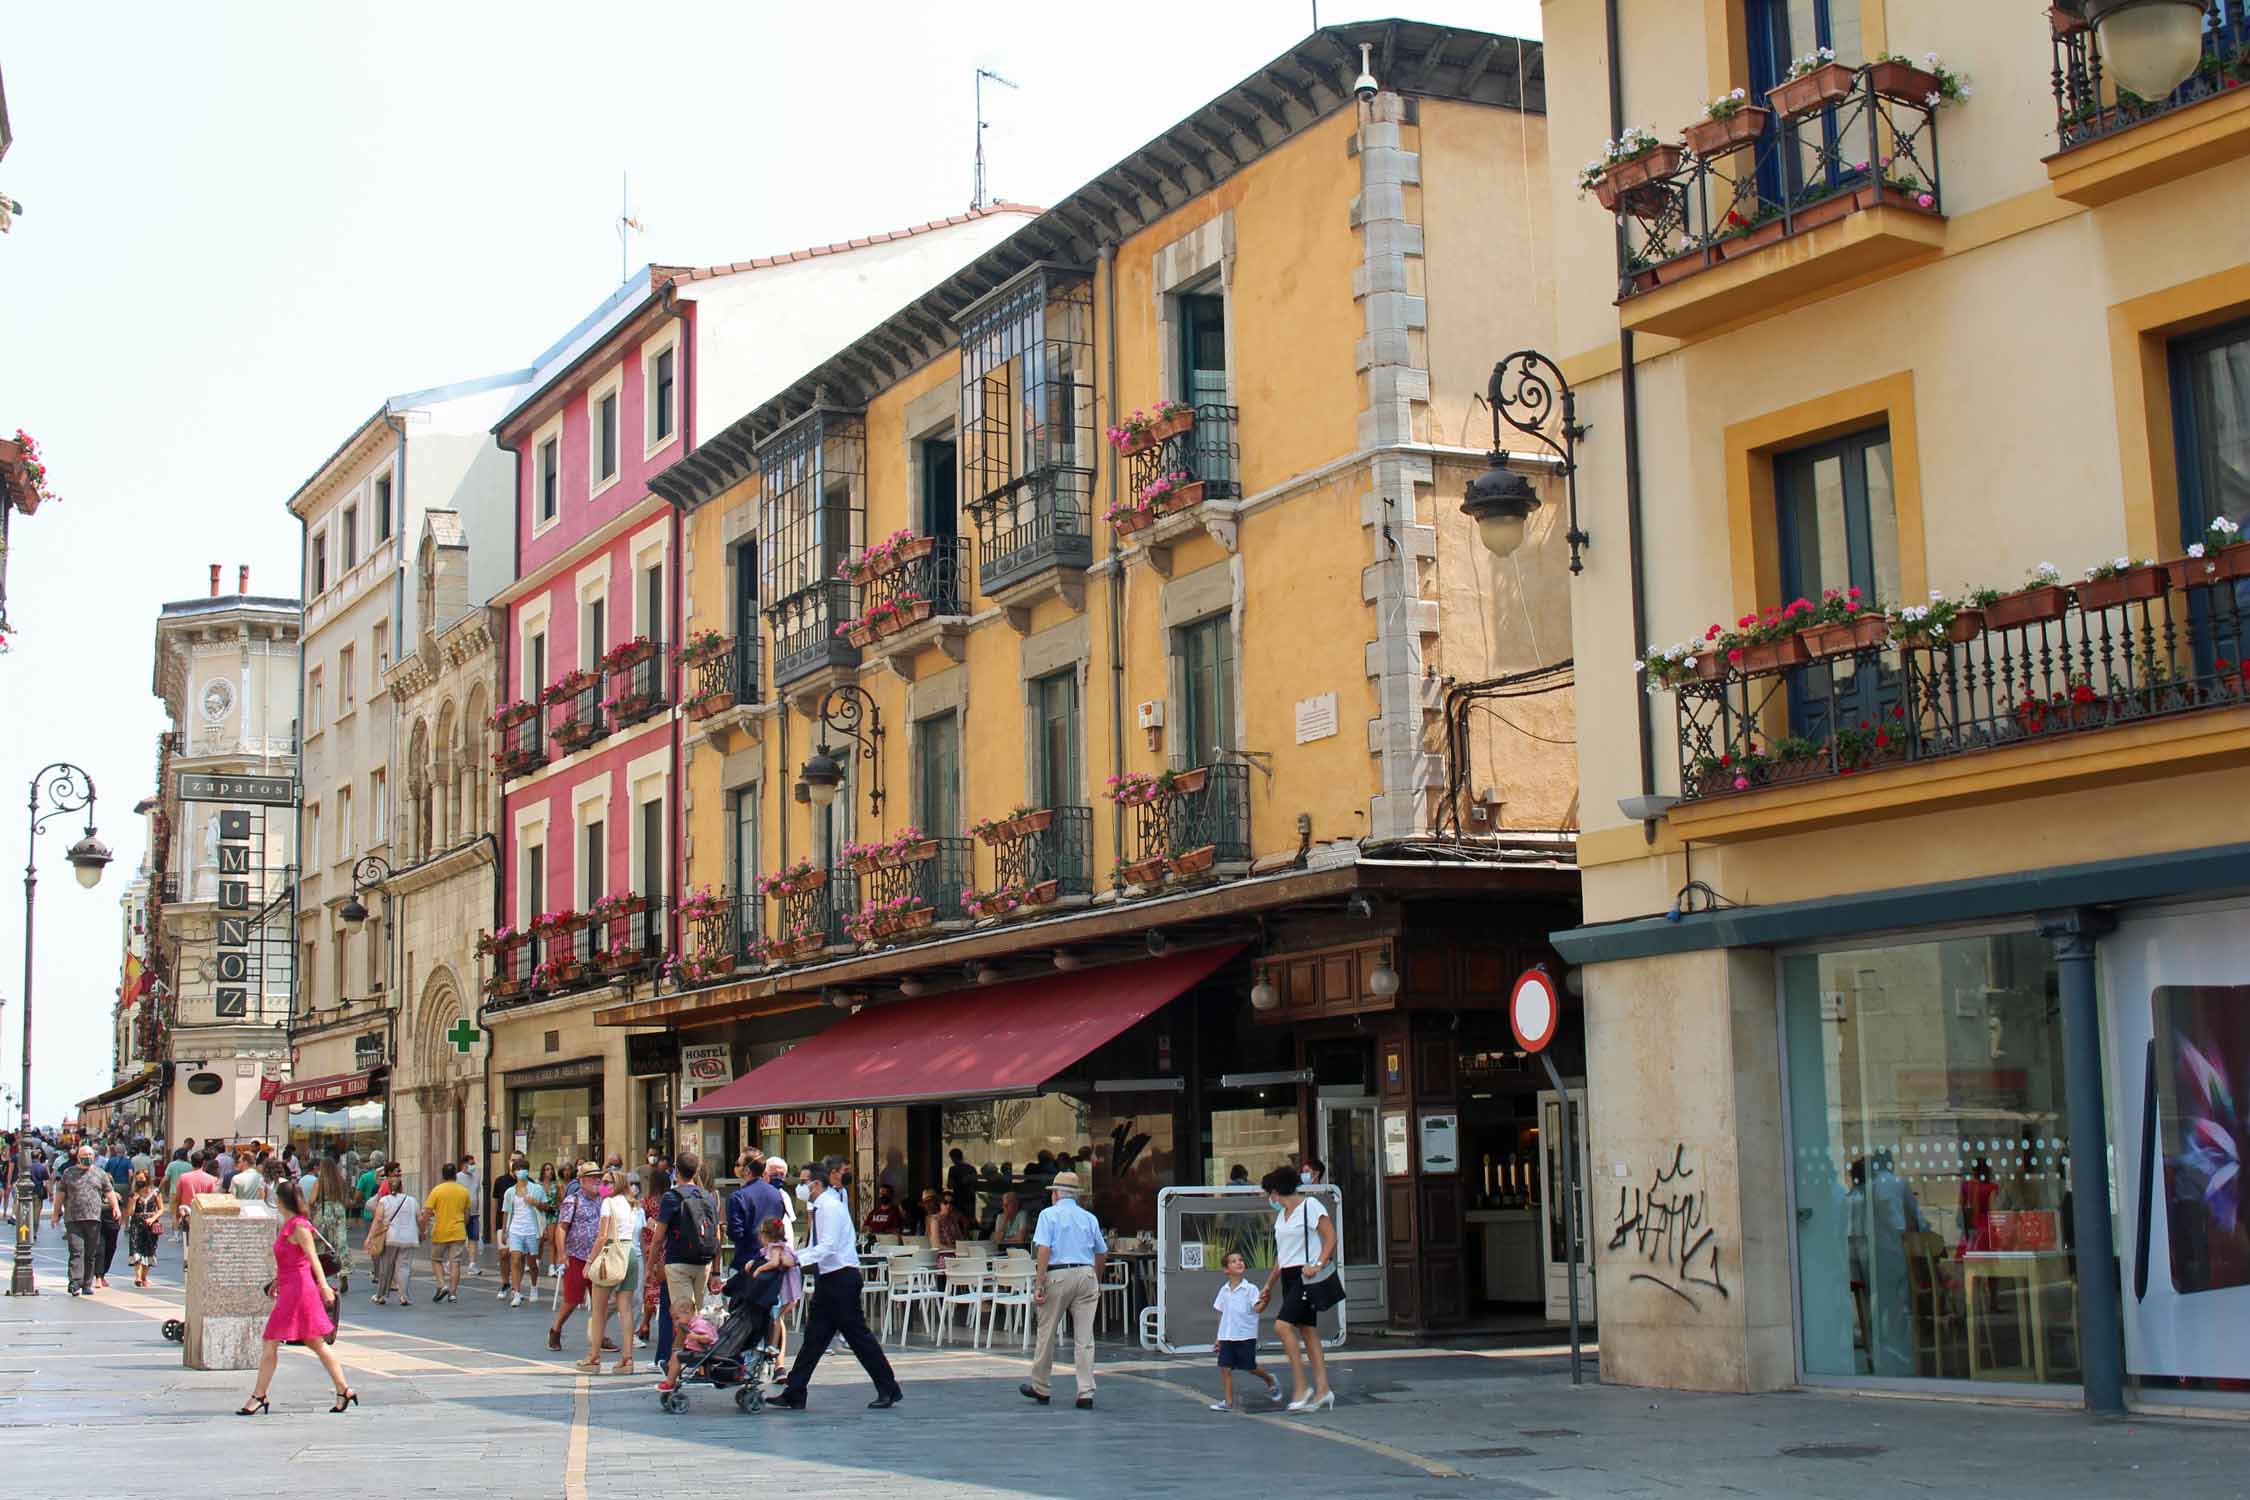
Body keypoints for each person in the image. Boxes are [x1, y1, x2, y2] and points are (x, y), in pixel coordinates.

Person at [771, 1155, 901, 1412]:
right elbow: (817, 1245)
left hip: (841, 1277)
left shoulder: (829, 1208)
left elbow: (827, 1246)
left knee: (857, 1336)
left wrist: (795, 1259)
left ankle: (888, 1387)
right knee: (814, 1337)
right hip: (830, 1278)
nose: (801, 1187)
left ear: (817, 1185)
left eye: (805, 1182)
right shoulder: (822, 1207)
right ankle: (795, 1391)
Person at [236, 1178, 356, 1416]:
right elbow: (289, 1259)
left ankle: (259, 1395)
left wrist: (323, 1288)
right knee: (315, 1343)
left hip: (300, 1290)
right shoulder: (289, 1224)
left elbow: (312, 1258)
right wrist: (277, 1281)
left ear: (279, 1200)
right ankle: (344, 1389)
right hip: (290, 1287)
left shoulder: (299, 1226)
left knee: (272, 1339)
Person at [1019, 1169, 1105, 1411]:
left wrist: (1039, 1282)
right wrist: (1095, 1278)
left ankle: (1041, 1386)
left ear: (1056, 1194)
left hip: (1058, 1274)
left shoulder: (1049, 1215)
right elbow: (1101, 1250)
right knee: (1085, 1339)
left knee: (1047, 1333)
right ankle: (1085, 1391)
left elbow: (1043, 1250)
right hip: (1086, 1274)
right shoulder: (1089, 1217)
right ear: (1075, 1195)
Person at [1254, 1165, 1336, 1412]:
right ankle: (1323, 1390)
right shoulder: (1282, 1216)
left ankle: (1302, 1387)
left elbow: (1330, 1237)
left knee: (1282, 1326)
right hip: (1289, 1275)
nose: (1270, 1199)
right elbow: (1283, 1255)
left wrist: (1318, 1264)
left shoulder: (1310, 1206)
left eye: (1270, 1193)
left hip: (1305, 1275)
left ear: (1276, 1192)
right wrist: (1268, 1284)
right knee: (1308, 1331)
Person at [654, 1152, 720, 1395]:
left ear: (676, 1170)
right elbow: (717, 1235)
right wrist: (716, 1270)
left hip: (678, 1262)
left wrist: (652, 1263)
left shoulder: (672, 1197)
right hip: (703, 1261)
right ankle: (702, 1368)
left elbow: (659, 1235)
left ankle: (673, 1371)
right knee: (699, 1317)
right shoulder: (708, 1196)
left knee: (683, 1318)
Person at [581, 1167, 644, 1375]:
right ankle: (627, 1359)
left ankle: (593, 1357)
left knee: (598, 1310)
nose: (602, 1185)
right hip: (630, 1254)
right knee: (624, 1308)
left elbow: (602, 1236)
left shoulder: (608, 1203)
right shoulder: (631, 1204)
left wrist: (590, 1261)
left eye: (606, 1182)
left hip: (611, 1255)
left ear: (615, 1184)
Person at [1209, 1250, 1283, 1411]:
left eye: (1241, 1260)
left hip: (1245, 1336)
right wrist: (1218, 1337)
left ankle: (1270, 1379)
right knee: (1225, 1368)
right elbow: (1222, 1314)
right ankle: (1228, 1403)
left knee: (1250, 1367)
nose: (1239, 1262)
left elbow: (1257, 1309)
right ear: (1226, 1270)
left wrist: (1266, 1301)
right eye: (1234, 1261)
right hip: (1227, 1336)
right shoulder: (1224, 1291)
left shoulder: (1250, 1289)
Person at [547, 1162, 607, 1353]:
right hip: (577, 1256)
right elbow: (562, 1228)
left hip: (598, 1256)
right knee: (573, 1299)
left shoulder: (604, 1199)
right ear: (582, 1180)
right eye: (592, 1177)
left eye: (599, 1177)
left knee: (601, 1300)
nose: (597, 1181)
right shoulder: (572, 1200)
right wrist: (562, 1253)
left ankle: (599, 1334)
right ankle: (556, 1329)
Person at [52, 1146, 120, 1297]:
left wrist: (116, 1207)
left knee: (90, 1253)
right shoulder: (69, 1173)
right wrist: (55, 1214)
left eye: (90, 1154)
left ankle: (87, 1284)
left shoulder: (99, 1173)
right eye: (85, 1154)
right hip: (73, 1218)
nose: (88, 1157)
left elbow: (109, 1191)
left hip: (94, 1218)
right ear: (78, 1156)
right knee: (76, 1251)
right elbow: (61, 1194)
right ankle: (75, 1282)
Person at [368, 1164, 420, 1305]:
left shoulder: (384, 1201)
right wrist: (422, 1232)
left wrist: (370, 1238)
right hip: (409, 1238)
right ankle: (404, 1296)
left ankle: (381, 1296)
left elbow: (378, 1220)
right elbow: (419, 1219)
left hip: (391, 1238)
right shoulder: (412, 1201)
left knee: (386, 1267)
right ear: (402, 1187)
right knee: (404, 1268)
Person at [421, 1162, 473, 1303]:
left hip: (440, 1231)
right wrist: (463, 1225)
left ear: (443, 1175)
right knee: (455, 1262)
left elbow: (427, 1212)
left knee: (436, 1259)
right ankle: (453, 1294)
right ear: (455, 1174)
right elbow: (467, 1213)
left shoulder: (437, 1190)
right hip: (458, 1230)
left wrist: (422, 1229)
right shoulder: (463, 1191)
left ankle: (442, 1285)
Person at [501, 1162, 547, 1307]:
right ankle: (517, 1292)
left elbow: (546, 1207)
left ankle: (534, 1288)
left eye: (523, 1169)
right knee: (515, 1259)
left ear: (527, 1171)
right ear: (513, 1172)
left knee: (532, 1263)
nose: (520, 1172)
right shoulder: (510, 1192)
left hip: (532, 1229)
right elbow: (506, 1211)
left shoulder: (536, 1189)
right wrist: (504, 1230)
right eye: (517, 1169)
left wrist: (535, 1202)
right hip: (515, 1229)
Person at [312, 1155, 350, 1296]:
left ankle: (322, 1277)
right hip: (339, 1211)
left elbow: (312, 1200)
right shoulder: (341, 1181)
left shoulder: (319, 1182)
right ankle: (343, 1273)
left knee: (322, 1244)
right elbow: (346, 1200)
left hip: (324, 1211)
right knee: (340, 1243)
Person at [126, 1171, 164, 1289]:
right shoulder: (134, 1194)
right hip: (137, 1223)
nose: (140, 1181)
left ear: (147, 1179)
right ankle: (137, 1277)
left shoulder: (156, 1192)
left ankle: (144, 1277)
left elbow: (161, 1209)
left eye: (142, 1178)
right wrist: (133, 1201)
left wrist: (153, 1218)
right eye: (137, 1179)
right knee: (135, 1247)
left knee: (149, 1249)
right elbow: (130, 1213)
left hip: (150, 1224)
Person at [457, 1153, 483, 1276]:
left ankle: (472, 1264)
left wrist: (477, 1211)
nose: (473, 1166)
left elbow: (476, 1193)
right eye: (471, 1163)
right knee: (460, 1239)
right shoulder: (458, 1177)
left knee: (473, 1238)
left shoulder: (476, 1176)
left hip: (473, 1213)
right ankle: (450, 1262)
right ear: (464, 1165)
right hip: (461, 1212)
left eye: (474, 1164)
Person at [946, 1149, 981, 1226]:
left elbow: (949, 1185)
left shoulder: (953, 1169)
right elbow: (976, 1184)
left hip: (959, 1200)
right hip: (971, 1200)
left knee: (960, 1222)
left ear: (953, 1158)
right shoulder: (972, 1168)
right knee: (970, 1220)